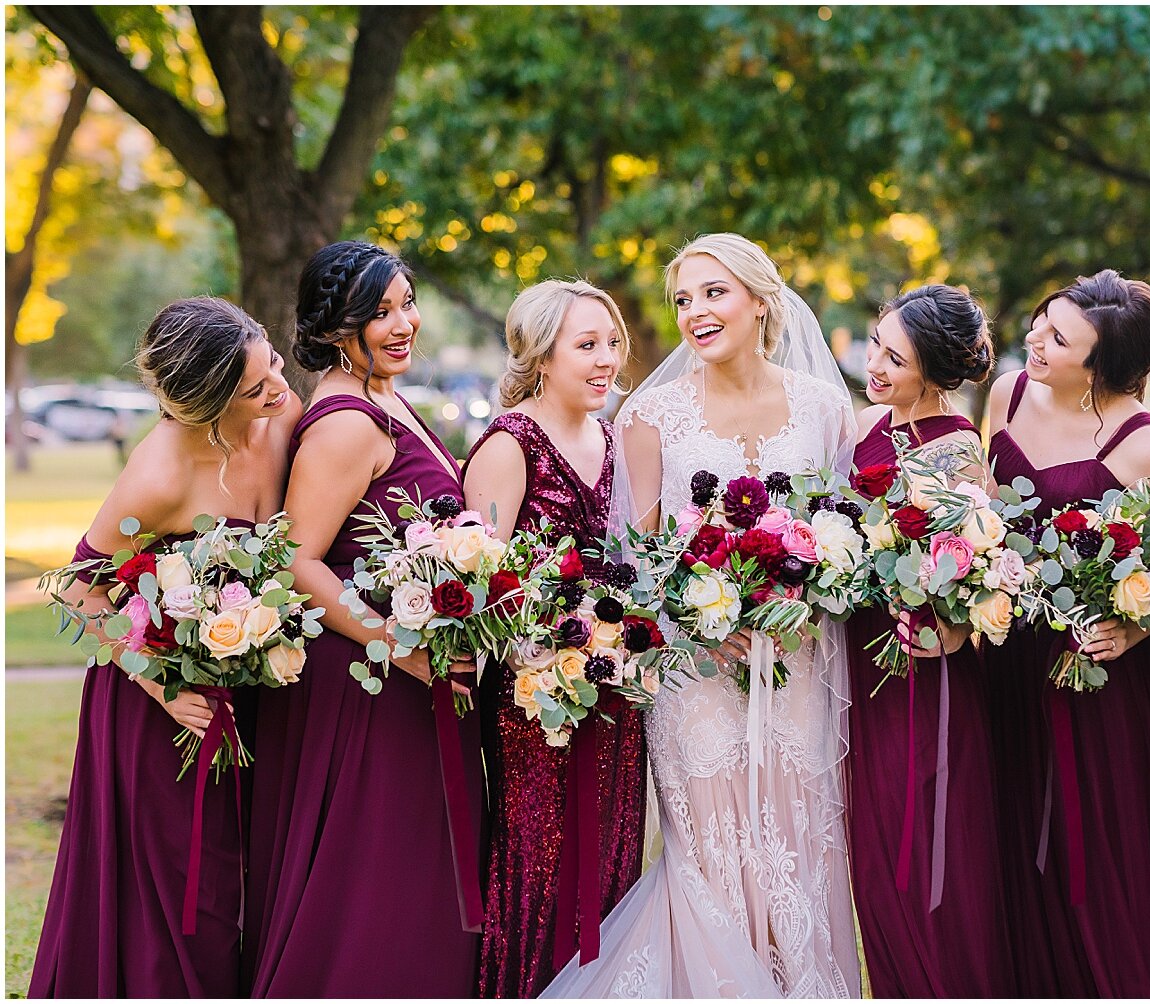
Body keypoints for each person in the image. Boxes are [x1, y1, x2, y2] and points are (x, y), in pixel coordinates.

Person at [541, 233, 860, 997]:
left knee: (796, 845)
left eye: (713, 293)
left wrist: (801, 599)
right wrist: (705, 625)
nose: (695, 313)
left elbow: (844, 536)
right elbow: (640, 555)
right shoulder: (652, 415)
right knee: (715, 856)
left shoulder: (823, 406)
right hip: (697, 676)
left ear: (760, 299)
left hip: (797, 666)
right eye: (683, 299)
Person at [29, 297, 298, 997]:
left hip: (240, 692)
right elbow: (76, 586)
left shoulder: (277, 409)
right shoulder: (162, 473)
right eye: (254, 388)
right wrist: (162, 684)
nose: (276, 389)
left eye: (270, 364)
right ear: (206, 404)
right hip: (159, 710)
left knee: (240, 882)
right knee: (188, 901)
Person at [241, 241, 483, 996]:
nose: (403, 323)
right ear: (333, 324)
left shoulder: (386, 395)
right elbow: (299, 561)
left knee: (408, 877)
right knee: (374, 884)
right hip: (367, 683)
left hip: (403, 677)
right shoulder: (345, 422)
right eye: (379, 313)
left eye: (407, 303)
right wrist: (397, 643)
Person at [984, 268, 1150, 995]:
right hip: (1010, 652)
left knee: (1111, 847)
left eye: (1059, 338)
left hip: (1102, 674)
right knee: (1018, 830)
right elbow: (990, 521)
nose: (1035, 342)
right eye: (1042, 323)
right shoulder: (1007, 395)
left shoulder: (1144, 447)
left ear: (1103, 367)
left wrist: (1135, 629)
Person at [463, 279, 647, 997]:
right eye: (586, 345)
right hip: (533, 708)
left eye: (612, 343)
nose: (606, 360)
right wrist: (552, 649)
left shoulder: (613, 437)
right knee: (539, 870)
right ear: (542, 356)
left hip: (615, 696)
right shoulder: (510, 446)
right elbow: (481, 592)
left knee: (611, 863)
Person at [843, 284, 1015, 996]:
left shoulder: (958, 452)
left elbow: (983, 571)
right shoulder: (862, 426)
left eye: (896, 358)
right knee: (872, 858)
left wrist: (951, 633)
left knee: (928, 853)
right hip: (860, 657)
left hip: (921, 677)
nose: (875, 365)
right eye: (877, 343)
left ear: (938, 373)